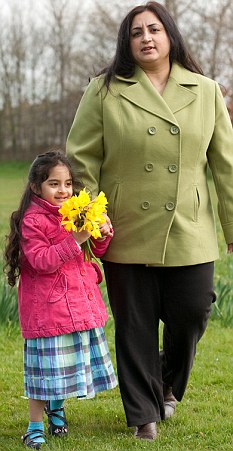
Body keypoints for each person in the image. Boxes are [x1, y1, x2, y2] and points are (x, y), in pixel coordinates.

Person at [66, 1, 233, 441]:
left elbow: (227, 166)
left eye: (154, 29)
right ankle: (144, 414)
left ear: (170, 36)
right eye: (136, 32)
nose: (145, 38)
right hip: (122, 224)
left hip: (190, 226)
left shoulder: (205, 89)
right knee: (135, 321)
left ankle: (167, 385)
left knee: (193, 312)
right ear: (127, 42)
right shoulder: (103, 90)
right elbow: (83, 158)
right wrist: (89, 220)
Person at [4, 150, 117, 449]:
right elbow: (41, 261)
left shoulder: (78, 213)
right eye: (54, 184)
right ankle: (34, 425)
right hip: (47, 309)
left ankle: (57, 409)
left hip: (77, 303)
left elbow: (100, 252)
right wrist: (76, 239)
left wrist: (101, 232)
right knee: (44, 372)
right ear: (35, 187)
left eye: (67, 184)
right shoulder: (33, 221)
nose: (63, 191)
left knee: (62, 366)